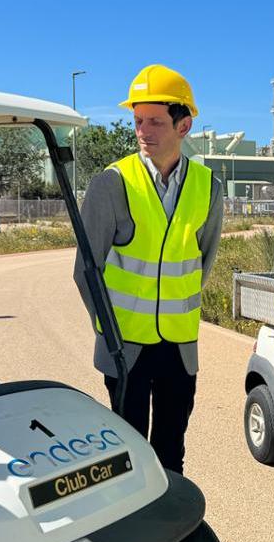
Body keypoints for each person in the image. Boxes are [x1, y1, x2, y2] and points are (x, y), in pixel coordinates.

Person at [74, 64, 223, 474]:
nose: (143, 130)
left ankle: (172, 532)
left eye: (155, 121)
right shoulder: (111, 182)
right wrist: (108, 330)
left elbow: (202, 262)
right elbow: (86, 270)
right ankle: (131, 534)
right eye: (138, 120)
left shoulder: (208, 186)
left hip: (178, 346)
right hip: (126, 348)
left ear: (184, 125)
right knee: (127, 455)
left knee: (171, 450)